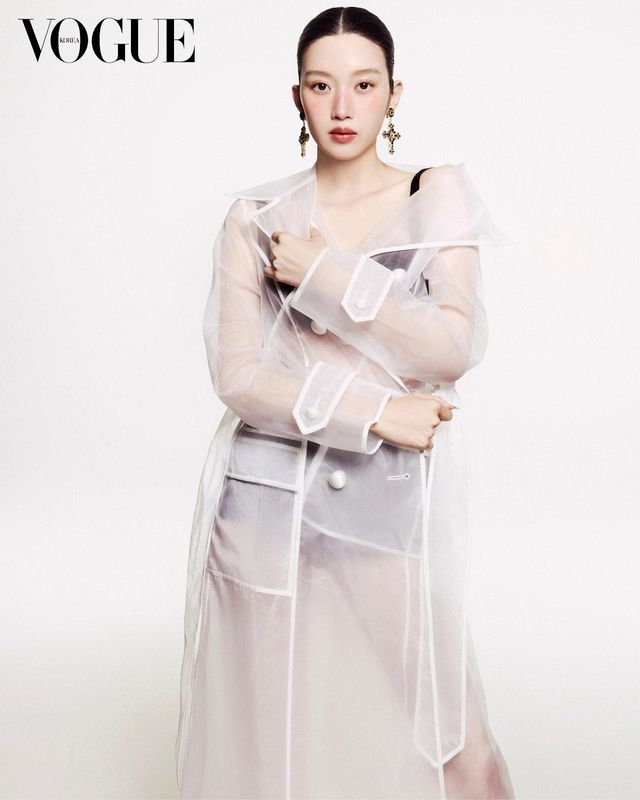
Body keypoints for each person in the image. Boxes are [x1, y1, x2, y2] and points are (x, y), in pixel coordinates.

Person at [175, 6, 516, 799]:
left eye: (363, 85)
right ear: (297, 95)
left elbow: (452, 346)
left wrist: (331, 275)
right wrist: (379, 413)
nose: (341, 106)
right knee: (263, 746)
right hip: (264, 502)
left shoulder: (436, 196)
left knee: (450, 728)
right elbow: (238, 376)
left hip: (378, 503)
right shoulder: (256, 218)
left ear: (394, 94)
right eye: (321, 85)